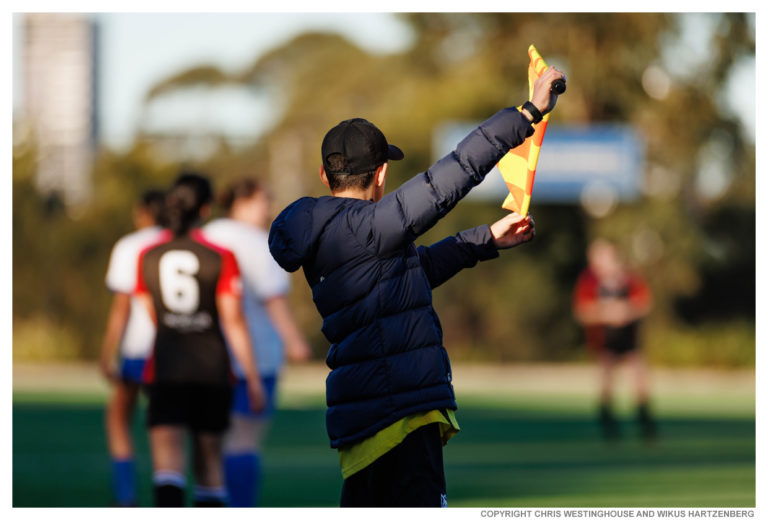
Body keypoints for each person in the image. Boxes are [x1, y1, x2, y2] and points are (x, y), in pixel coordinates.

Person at [268, 66, 564, 507]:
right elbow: (454, 173)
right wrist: (528, 112)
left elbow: (411, 272)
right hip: (399, 418)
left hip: (364, 424)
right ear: (382, 174)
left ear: (324, 175)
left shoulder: (328, 238)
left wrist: (484, 239)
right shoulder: (374, 226)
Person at [135, 172, 265, 507]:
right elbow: (233, 321)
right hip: (211, 370)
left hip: (166, 366)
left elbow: (152, 312)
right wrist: (253, 378)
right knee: (209, 469)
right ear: (206, 209)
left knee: (168, 469)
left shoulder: (148, 255)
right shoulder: (221, 256)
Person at [202, 178, 311, 507]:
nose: (268, 207)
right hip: (256, 354)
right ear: (243, 201)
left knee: (212, 444)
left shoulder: (207, 235)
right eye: (264, 199)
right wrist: (295, 342)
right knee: (244, 441)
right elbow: (272, 299)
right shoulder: (257, 242)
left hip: (205, 355)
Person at [99, 189, 165, 506]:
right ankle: (166, 489)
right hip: (174, 348)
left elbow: (122, 307)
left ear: (142, 212)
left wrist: (107, 350)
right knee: (163, 426)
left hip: (139, 347)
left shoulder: (129, 246)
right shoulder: (179, 240)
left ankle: (126, 496)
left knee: (117, 418)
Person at [572, 238, 656, 441]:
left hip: (629, 339)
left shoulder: (628, 278)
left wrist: (626, 311)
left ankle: (646, 425)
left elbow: (644, 302)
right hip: (605, 340)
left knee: (639, 380)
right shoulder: (590, 281)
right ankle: (609, 426)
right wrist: (605, 313)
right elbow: (582, 311)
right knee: (607, 381)